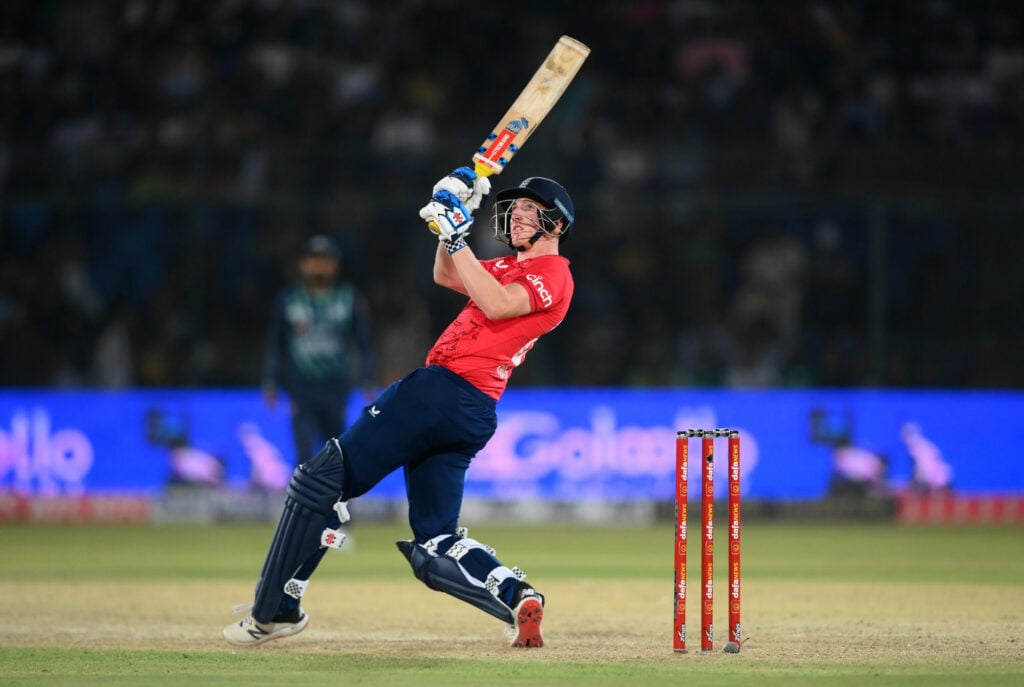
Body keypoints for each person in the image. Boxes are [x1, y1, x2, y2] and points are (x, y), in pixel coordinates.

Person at [223, 167, 576, 649]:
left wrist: (456, 237)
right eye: (513, 208)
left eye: (529, 211)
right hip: (467, 411)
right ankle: (517, 597)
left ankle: (275, 611)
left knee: (323, 478)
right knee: (434, 544)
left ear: (555, 223)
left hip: (443, 392)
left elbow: (496, 305)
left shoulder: (553, 272)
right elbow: (446, 273)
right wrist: (460, 217)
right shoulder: (505, 265)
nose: (515, 216)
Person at [262, 234, 376, 466]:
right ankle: (304, 502)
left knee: (335, 451)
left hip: (335, 385)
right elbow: (276, 342)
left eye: (325, 259)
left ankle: (336, 501)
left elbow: (363, 341)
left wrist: (367, 377)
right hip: (301, 387)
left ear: (335, 265)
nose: (319, 265)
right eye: (313, 259)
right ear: (303, 264)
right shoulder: (289, 299)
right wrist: (271, 379)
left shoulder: (348, 297)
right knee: (304, 452)